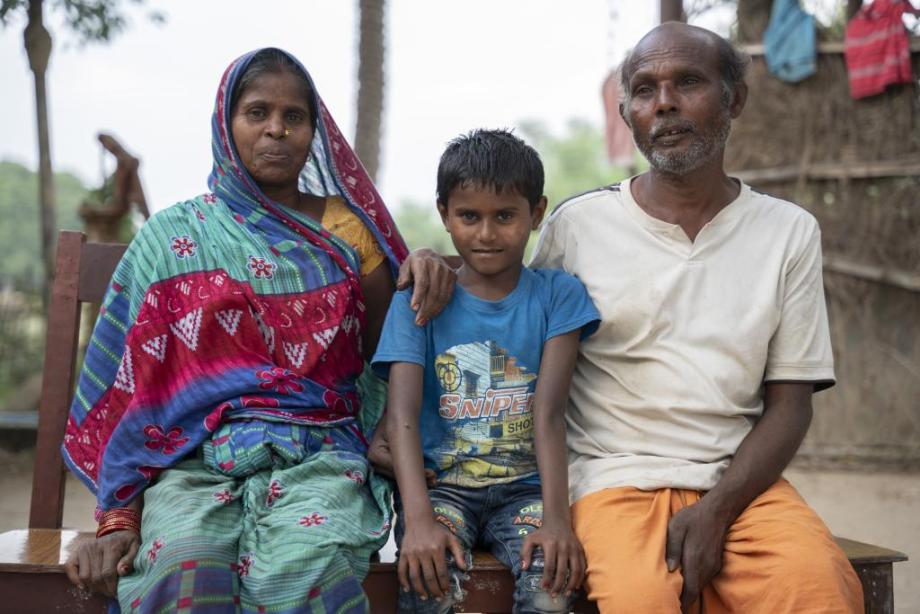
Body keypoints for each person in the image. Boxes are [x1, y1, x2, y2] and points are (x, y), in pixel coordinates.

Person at [61, 47, 452, 613]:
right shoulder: (175, 236)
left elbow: (386, 355)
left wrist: (425, 263)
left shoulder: (348, 230)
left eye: (294, 117)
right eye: (257, 112)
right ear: (227, 122)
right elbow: (132, 387)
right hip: (193, 461)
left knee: (303, 565)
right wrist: (119, 516)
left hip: (321, 453)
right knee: (183, 563)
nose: (276, 129)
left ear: (314, 131)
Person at [527, 23, 864, 613]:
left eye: (688, 81)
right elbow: (502, 310)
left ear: (734, 98)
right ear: (628, 111)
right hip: (611, 484)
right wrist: (434, 264)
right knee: (641, 601)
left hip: (742, 487)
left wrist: (717, 511)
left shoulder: (787, 232)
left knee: (822, 591)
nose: (665, 103)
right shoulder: (576, 229)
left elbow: (792, 403)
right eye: (644, 88)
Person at [370, 129, 600, 614]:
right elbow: (403, 419)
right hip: (443, 488)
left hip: (527, 491)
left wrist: (557, 520)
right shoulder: (416, 303)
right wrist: (418, 519)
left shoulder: (558, 296)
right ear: (444, 214)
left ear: (536, 213)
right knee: (428, 579)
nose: (487, 233)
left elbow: (550, 413)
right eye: (469, 216)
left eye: (505, 216)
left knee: (551, 585)